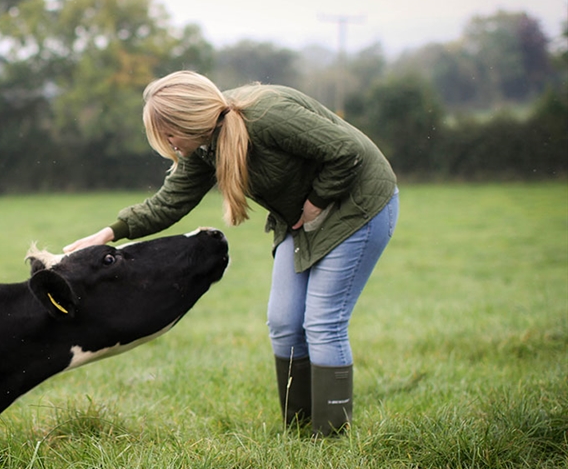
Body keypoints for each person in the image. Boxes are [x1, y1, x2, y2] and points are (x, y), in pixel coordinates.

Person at [64, 70, 398, 437]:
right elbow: (170, 202)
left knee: (322, 322)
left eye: (167, 134)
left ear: (186, 122)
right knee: (284, 322)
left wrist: (316, 203)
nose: (167, 144)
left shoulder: (268, 115)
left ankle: (331, 438)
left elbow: (347, 152)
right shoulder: (203, 146)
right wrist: (111, 232)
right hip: (300, 221)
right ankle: (301, 433)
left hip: (358, 205)